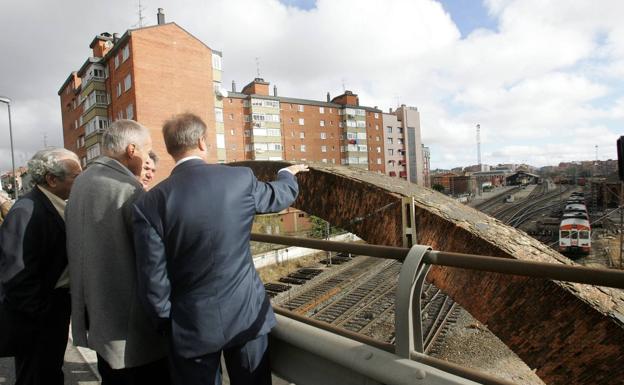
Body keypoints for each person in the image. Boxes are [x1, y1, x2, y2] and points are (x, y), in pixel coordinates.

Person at [132, 113, 308, 385]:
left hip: (191, 324)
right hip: (246, 315)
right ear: (202, 142)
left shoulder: (150, 203)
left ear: (170, 149)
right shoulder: (238, 179)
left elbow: (153, 279)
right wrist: (287, 174)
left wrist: (169, 325)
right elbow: (278, 197)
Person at [65, 120, 170, 384]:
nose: (148, 157)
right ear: (132, 150)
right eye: (147, 151)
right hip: (131, 331)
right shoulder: (128, 189)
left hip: (98, 319)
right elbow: (152, 258)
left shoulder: (82, 181)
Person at [0, 148, 82, 385]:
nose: (81, 179)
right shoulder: (26, 210)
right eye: (76, 176)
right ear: (52, 179)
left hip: (53, 309)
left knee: (49, 371)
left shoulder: (55, 204)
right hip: (38, 319)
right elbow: (15, 275)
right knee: (36, 375)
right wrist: (39, 315)